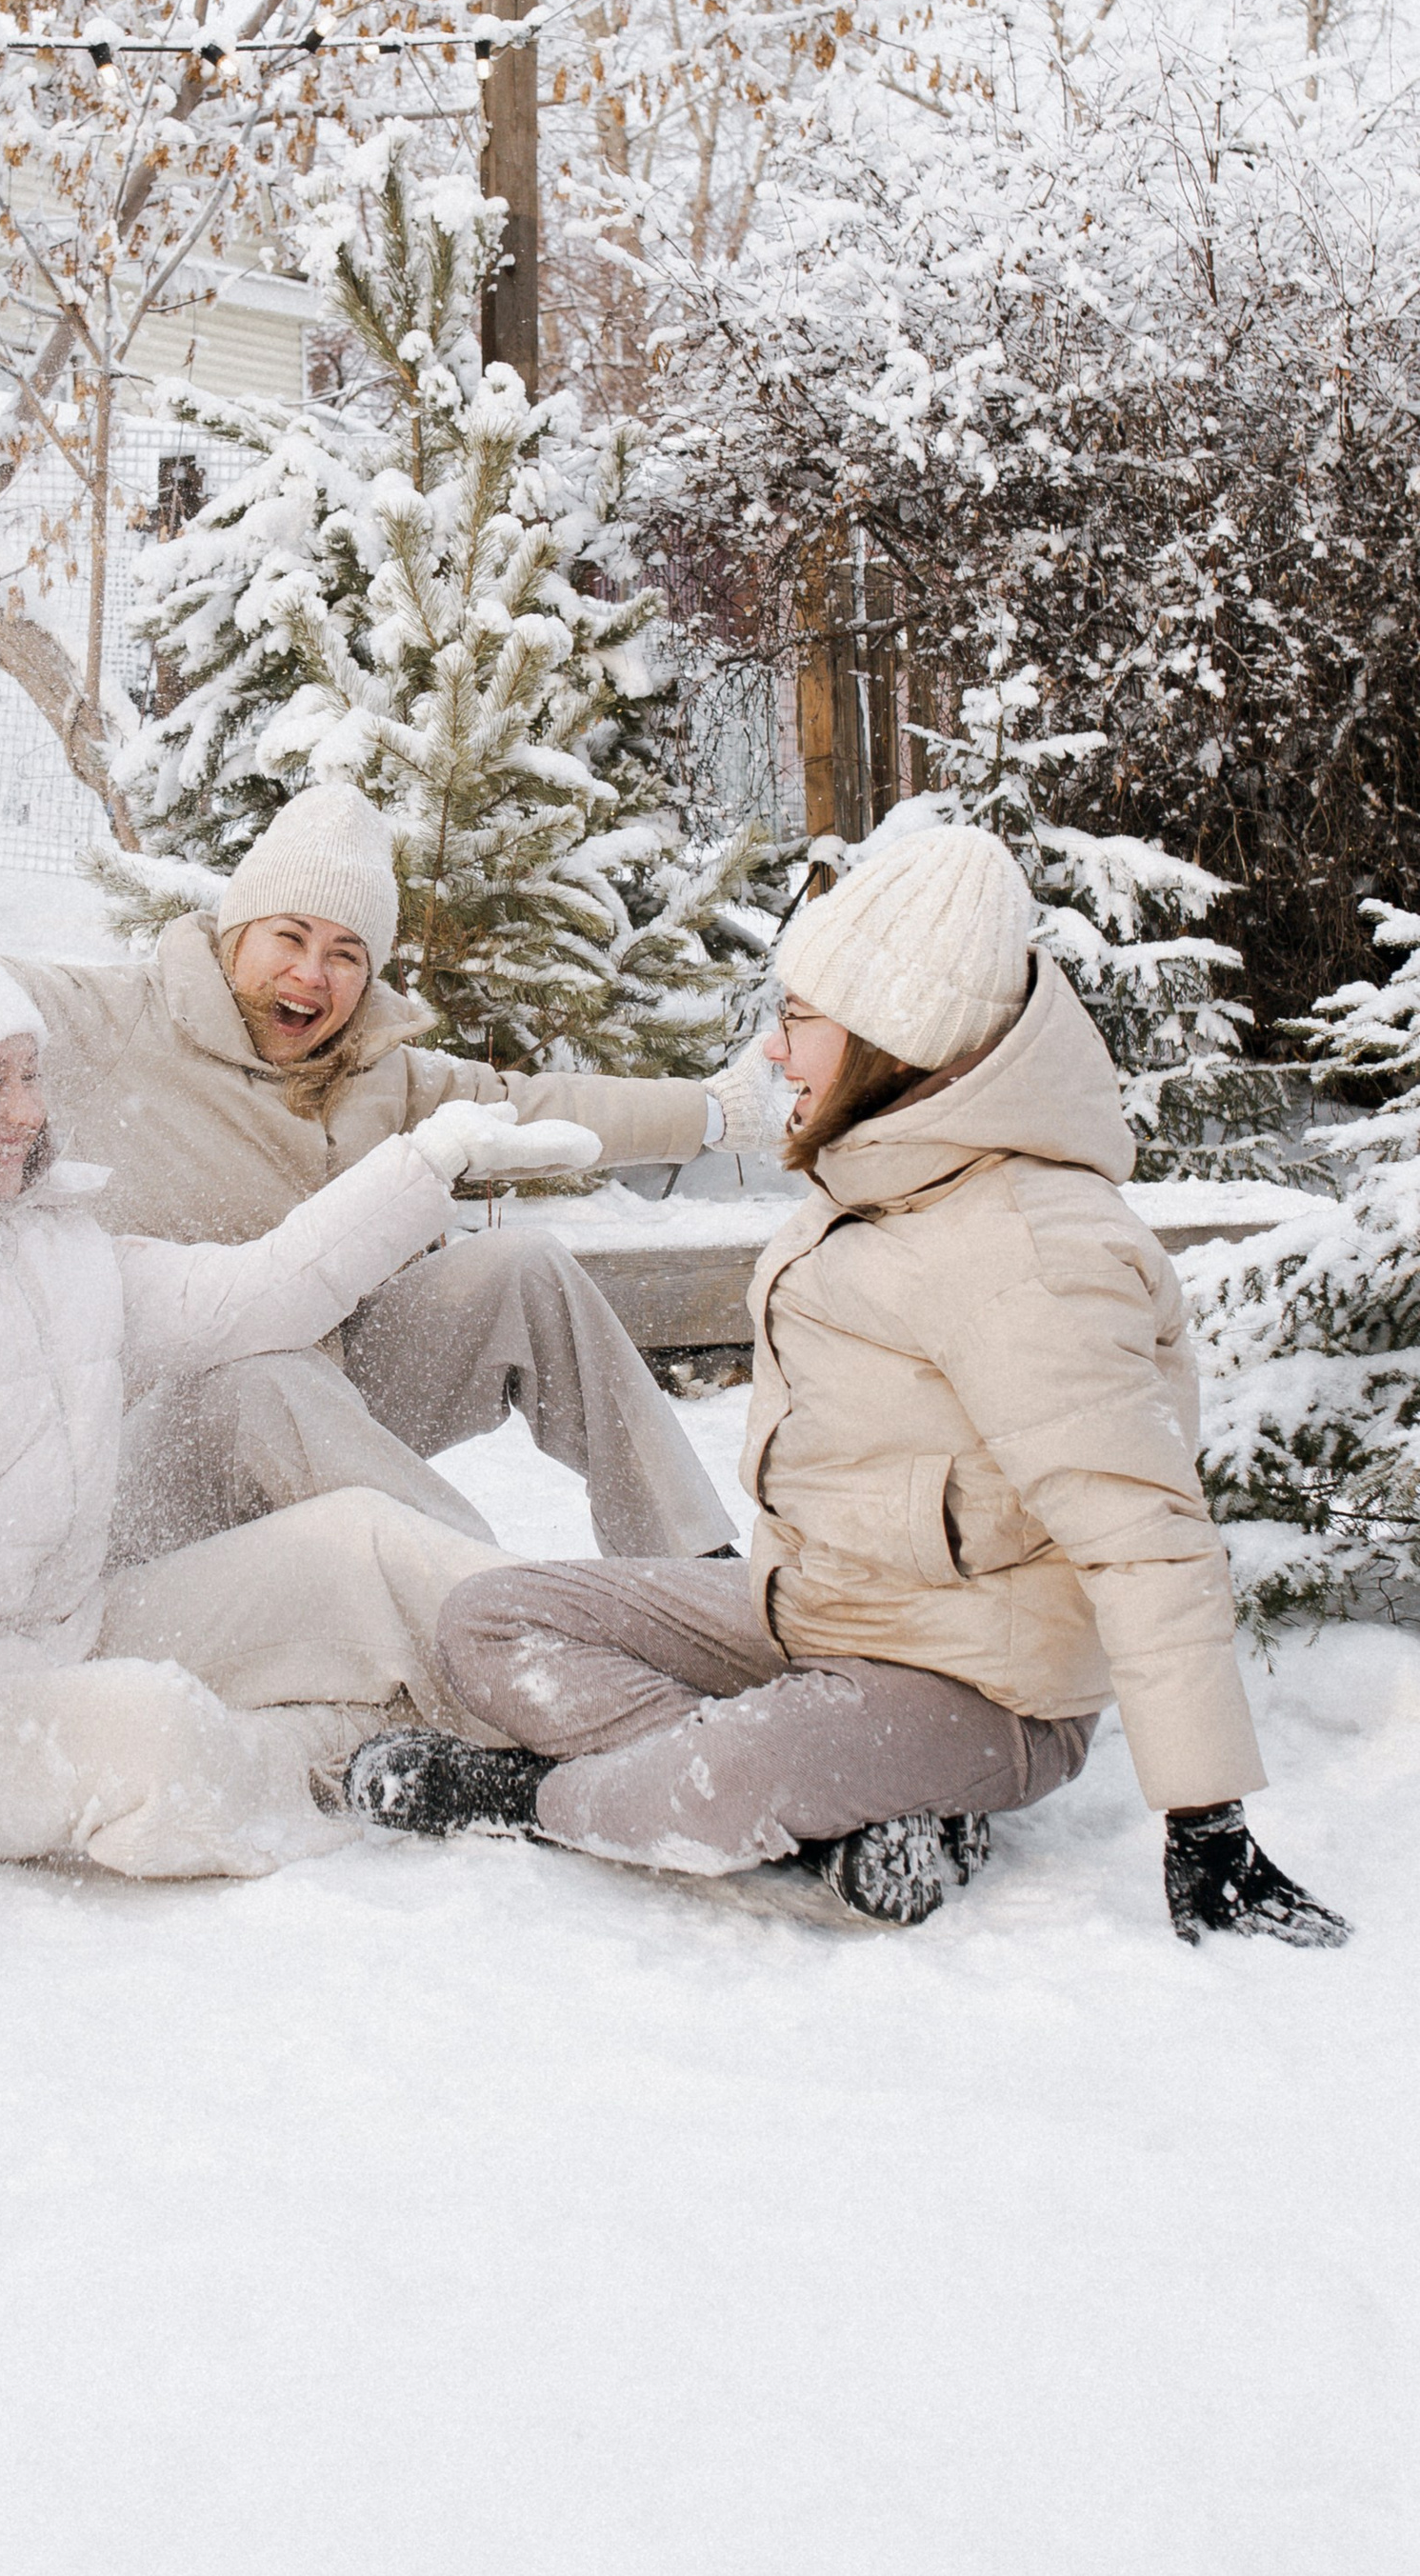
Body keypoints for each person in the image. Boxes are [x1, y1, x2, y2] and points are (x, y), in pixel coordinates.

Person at [347, 825, 1351, 1945]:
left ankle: (535, 1804)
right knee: (490, 1621)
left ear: (894, 1038)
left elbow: (1144, 1533)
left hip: (983, 1692)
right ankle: (837, 1811)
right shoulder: (886, 1169)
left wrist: (1206, 1823)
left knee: (719, 1783)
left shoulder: (1031, 1246)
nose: (774, 1050)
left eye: (798, 1020)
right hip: (811, 1611)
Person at [0, 755, 777, 1564]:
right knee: (261, 1369)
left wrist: (718, 1114)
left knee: (525, 1277)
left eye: (347, 953)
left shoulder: (383, 1076)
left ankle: (693, 1569)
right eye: (290, 936)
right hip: (152, 1451)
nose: (315, 974)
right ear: (237, 932)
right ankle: (496, 1617)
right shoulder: (108, 1024)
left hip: (333, 1403)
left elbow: (542, 1103)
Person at [0, 914, 595, 1879]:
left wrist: (426, 1163)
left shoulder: (58, 1244)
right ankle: (376, 1755)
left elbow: (257, 1293)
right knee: (157, 1737)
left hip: (70, 1635)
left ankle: (616, 1703)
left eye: (30, 1075)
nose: (24, 1110)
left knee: (363, 1546)